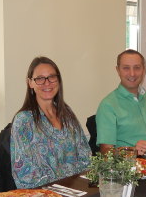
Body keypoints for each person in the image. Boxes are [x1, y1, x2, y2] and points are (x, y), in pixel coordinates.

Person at [11, 56, 91, 188]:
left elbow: (85, 156)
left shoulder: (67, 114)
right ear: (30, 83)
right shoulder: (23, 121)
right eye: (40, 78)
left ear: (58, 80)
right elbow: (25, 176)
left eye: (52, 77)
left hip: (76, 190)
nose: (47, 83)